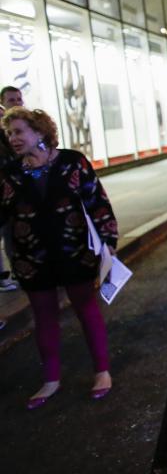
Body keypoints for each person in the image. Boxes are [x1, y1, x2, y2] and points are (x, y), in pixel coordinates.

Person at [0, 107, 117, 409]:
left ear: (39, 132)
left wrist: (108, 238)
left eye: (19, 131)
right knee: (44, 316)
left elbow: (96, 200)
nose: (12, 138)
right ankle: (50, 380)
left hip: (75, 251)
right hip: (31, 258)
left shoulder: (71, 162)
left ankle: (102, 372)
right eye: (9, 133)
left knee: (86, 309)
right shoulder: (10, 174)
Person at [0, 85, 22, 293]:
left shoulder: (28, 125)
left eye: (18, 99)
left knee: (16, 234)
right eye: (11, 100)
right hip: (3, 193)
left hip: (19, 191)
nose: (16, 104)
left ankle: (18, 271)